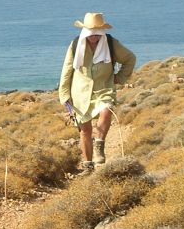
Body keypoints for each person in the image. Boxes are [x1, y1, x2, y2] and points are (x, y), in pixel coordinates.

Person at [58, 12, 136, 171]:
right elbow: (66, 71)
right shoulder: (75, 45)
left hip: (104, 87)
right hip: (80, 92)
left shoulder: (111, 43)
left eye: (97, 33)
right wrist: (65, 96)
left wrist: (119, 78)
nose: (93, 37)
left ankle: (99, 145)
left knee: (107, 110)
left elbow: (130, 59)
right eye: (90, 33)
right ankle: (88, 166)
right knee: (85, 130)